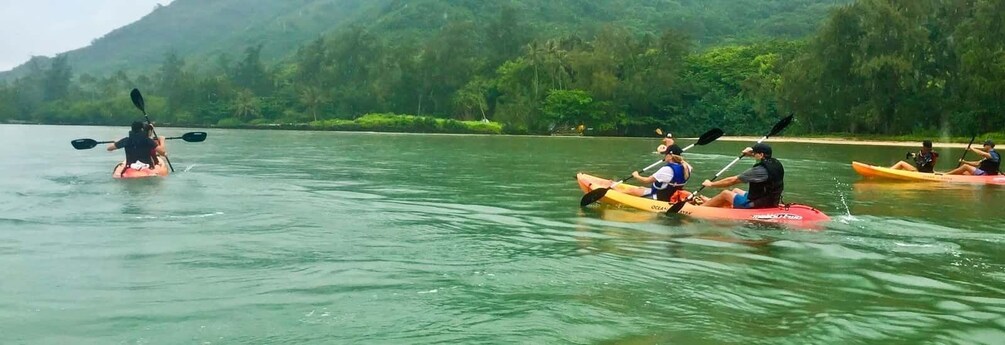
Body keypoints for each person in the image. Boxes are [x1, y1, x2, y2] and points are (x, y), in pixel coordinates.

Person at [699, 143, 783, 209]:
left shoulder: (759, 170)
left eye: (754, 153)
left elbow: (732, 181)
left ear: (761, 154)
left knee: (725, 194)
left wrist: (711, 184)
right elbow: (760, 157)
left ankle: (701, 208)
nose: (753, 155)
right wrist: (749, 153)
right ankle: (713, 202)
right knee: (736, 190)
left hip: (758, 204)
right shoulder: (775, 163)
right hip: (770, 200)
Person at [623, 144, 692, 202]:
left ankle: (613, 192)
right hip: (672, 195)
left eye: (665, 154)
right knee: (641, 188)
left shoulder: (667, 169)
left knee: (631, 190)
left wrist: (636, 175)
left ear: (670, 156)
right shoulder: (687, 167)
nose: (664, 156)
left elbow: (646, 180)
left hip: (660, 197)